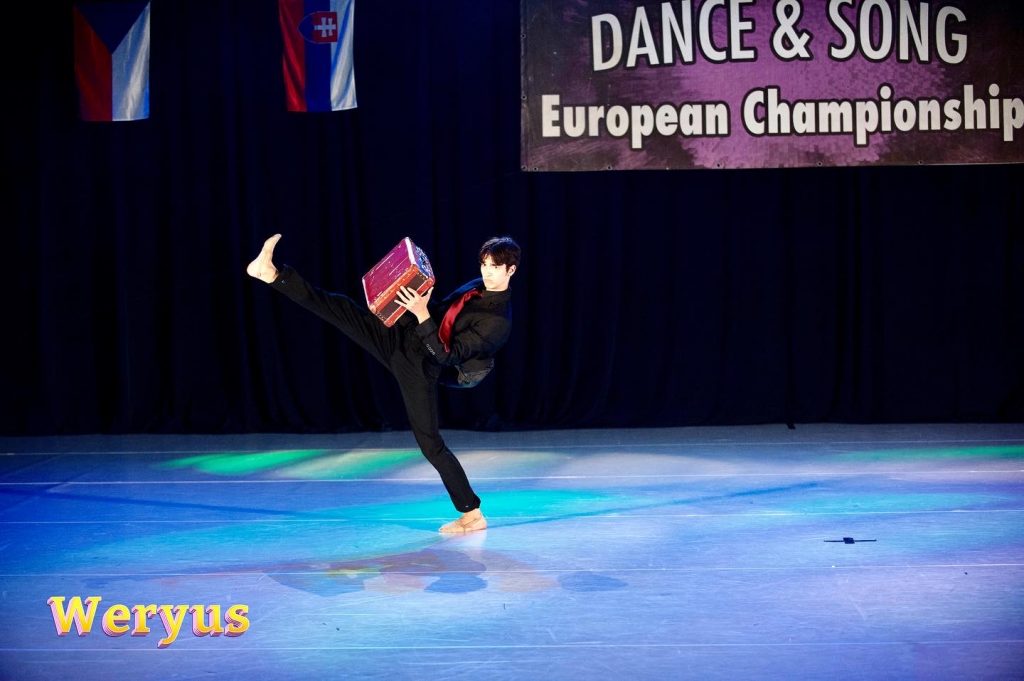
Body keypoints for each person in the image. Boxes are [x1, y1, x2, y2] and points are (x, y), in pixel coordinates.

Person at [246, 234, 520, 533]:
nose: (486, 272)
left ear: (511, 270)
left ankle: (472, 514)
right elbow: (442, 314)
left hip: (424, 365)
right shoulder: (477, 286)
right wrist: (416, 297)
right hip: (407, 339)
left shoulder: (497, 322)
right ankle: (273, 275)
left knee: (430, 444)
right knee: (342, 308)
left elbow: (446, 356)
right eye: (484, 265)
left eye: (495, 267)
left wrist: (420, 313)